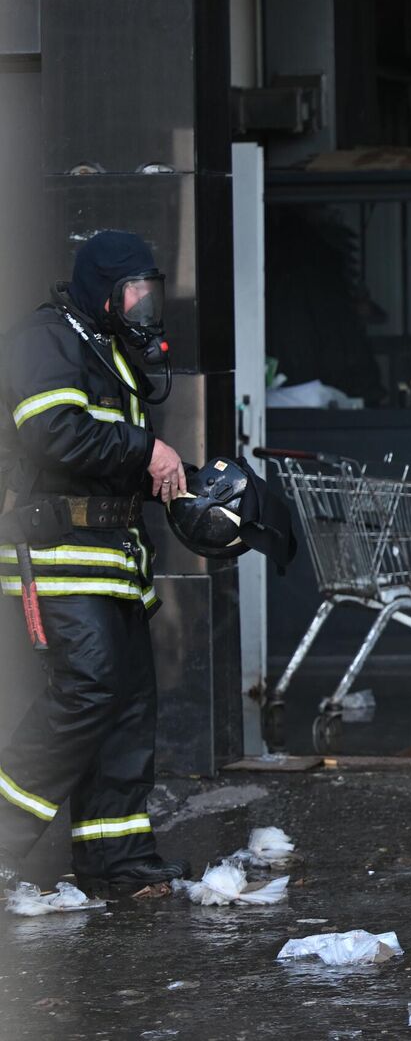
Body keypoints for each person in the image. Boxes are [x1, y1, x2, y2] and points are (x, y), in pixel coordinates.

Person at [0, 230, 191, 891]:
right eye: (134, 290)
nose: (145, 303)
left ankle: (117, 856)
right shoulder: (45, 340)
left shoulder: (107, 350)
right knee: (87, 689)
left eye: (151, 290)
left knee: (128, 703)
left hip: (111, 558)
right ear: (102, 290)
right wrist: (146, 451)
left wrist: (186, 483)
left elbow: (119, 457)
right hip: (56, 555)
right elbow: (54, 434)